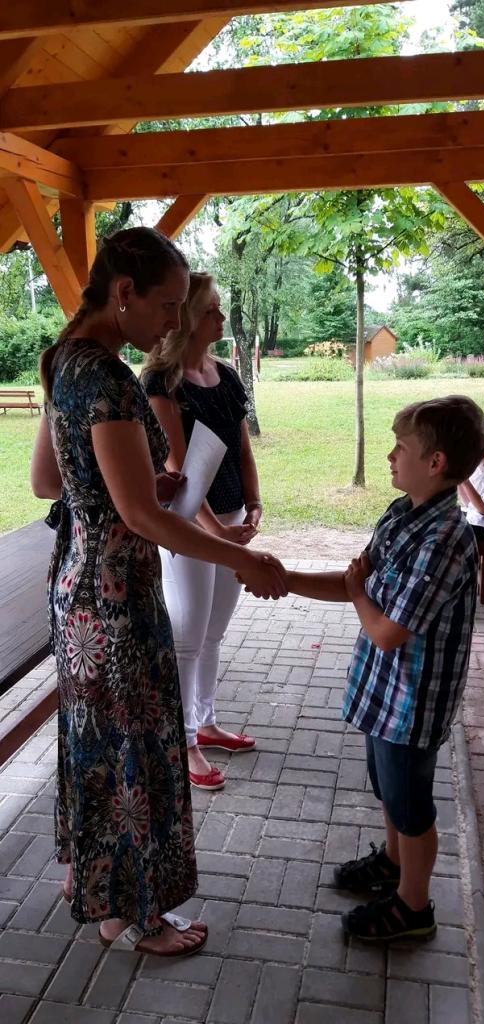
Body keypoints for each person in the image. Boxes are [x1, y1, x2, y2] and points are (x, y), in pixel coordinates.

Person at [30, 228, 287, 959]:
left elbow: (48, 483)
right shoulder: (110, 377)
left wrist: (136, 483)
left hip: (77, 587)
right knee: (136, 749)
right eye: (168, 304)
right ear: (124, 294)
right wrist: (243, 557)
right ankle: (133, 916)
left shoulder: (63, 360)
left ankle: (92, 881)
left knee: (97, 743)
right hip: (116, 596)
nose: (174, 321)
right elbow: (141, 517)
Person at [278, 396, 484, 942]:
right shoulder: (400, 515)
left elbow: (388, 631)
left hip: (414, 701)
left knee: (412, 806)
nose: (390, 456)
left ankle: (414, 907)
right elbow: (359, 582)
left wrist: (356, 593)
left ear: (435, 462)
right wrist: (286, 579)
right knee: (389, 790)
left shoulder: (446, 539)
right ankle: (394, 866)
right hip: (384, 690)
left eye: (401, 447)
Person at [141, 273, 261, 792]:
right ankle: (183, 740)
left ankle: (206, 722)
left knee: (213, 632)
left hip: (231, 521)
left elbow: (241, 450)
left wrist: (253, 505)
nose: (221, 316)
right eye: (212, 309)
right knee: (187, 636)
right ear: (189, 318)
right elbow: (178, 464)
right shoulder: (161, 383)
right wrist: (216, 531)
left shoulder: (226, 376)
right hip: (188, 524)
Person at [459, 417, 484, 543]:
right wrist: (458, 478)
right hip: (476, 518)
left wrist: (465, 480)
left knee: (454, 531)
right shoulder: (479, 465)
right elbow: (468, 503)